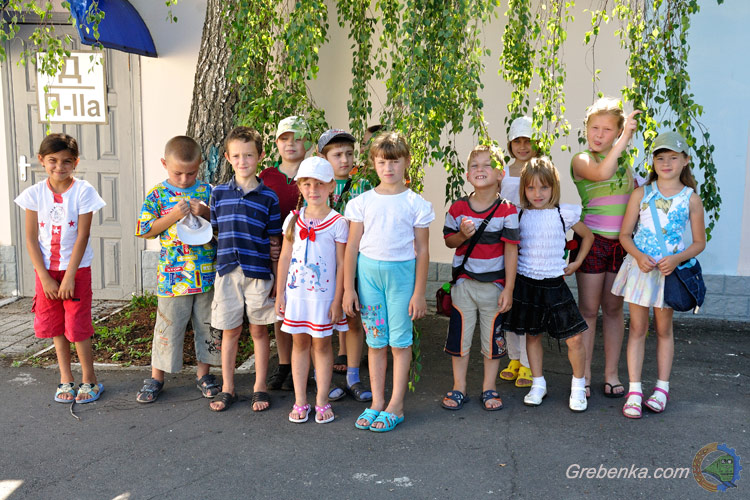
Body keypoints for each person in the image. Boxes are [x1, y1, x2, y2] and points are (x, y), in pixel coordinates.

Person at [343, 131, 434, 432]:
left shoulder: (416, 204)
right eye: (382, 162)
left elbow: (422, 250)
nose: (388, 168)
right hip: (369, 278)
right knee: (376, 340)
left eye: (394, 161)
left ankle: (396, 404)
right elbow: (352, 247)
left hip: (401, 279)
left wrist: (419, 293)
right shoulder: (362, 202)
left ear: (406, 162)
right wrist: (348, 288)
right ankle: (377, 401)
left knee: (399, 341)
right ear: (373, 163)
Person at [612, 132, 706, 418]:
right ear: (652, 162)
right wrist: (639, 256)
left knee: (664, 330)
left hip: (669, 273)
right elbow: (624, 235)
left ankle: (662, 389)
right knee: (637, 329)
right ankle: (635, 391)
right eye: (660, 158)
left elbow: (699, 243)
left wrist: (676, 259)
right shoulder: (641, 194)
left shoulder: (691, 199)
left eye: (673, 158)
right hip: (641, 271)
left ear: (685, 160)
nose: (666, 163)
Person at [14, 133, 106, 403]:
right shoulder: (34, 194)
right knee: (55, 326)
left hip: (76, 272)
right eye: (52, 160)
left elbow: (82, 235)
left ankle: (90, 379)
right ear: (42, 160)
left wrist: (69, 277)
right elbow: (31, 239)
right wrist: (44, 277)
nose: (59, 166)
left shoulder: (83, 191)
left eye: (67, 161)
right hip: (46, 273)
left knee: (77, 326)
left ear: (75, 162)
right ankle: (66, 379)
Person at [134, 136, 222, 403]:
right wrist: (172, 216)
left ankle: (204, 374)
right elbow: (145, 230)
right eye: (177, 173)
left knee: (207, 325)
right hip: (172, 278)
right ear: (164, 164)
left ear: (200, 165)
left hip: (206, 276)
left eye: (191, 173)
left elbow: (222, 224)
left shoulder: (208, 191)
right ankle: (157, 377)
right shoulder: (157, 195)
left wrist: (206, 212)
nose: (184, 179)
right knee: (168, 327)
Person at [503, 157, 594, 411]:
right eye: (531, 188)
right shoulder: (519, 214)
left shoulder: (563, 213)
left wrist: (576, 263)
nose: (538, 193)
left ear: (554, 187)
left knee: (574, 338)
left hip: (555, 285)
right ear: (523, 189)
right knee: (532, 336)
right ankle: (538, 384)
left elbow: (588, 237)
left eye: (544, 187)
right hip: (527, 284)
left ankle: (578, 386)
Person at [570, 97, 641, 398]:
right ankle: (583, 376)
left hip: (620, 245)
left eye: (607, 129)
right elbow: (601, 174)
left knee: (613, 310)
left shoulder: (625, 165)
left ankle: (611, 373)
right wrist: (624, 139)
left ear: (617, 132)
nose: (598, 135)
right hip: (593, 241)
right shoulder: (582, 159)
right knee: (588, 310)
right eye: (594, 128)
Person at [208, 126, 282, 412]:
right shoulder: (219, 194)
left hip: (259, 273)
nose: (243, 161)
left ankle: (259, 386)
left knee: (259, 331)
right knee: (230, 331)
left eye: (249, 155)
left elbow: (274, 240)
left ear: (260, 156)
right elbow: (216, 231)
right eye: (237, 156)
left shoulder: (269, 198)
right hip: (228, 272)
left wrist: (275, 278)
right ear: (228, 157)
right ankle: (228, 387)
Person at [441, 145, 519, 411]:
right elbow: (449, 241)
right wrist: (462, 235)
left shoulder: (507, 210)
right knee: (459, 338)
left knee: (492, 341)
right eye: (474, 165)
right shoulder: (458, 207)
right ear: (467, 174)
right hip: (464, 284)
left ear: (500, 174)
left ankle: (489, 387)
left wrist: (509, 288)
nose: (480, 169)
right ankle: (459, 387)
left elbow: (511, 250)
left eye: (487, 165)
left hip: (494, 287)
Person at [275, 157, 349, 423]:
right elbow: (285, 257)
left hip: (323, 298)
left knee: (322, 345)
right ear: (299, 187)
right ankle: (300, 401)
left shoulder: (338, 222)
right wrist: (280, 293)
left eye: (319, 183)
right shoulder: (293, 220)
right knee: (299, 344)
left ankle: (321, 401)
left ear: (331, 186)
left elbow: (342, 263)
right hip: (296, 297)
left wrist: (338, 300)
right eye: (306, 184)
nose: (313, 189)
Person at [317, 129, 373, 403]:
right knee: (321, 321)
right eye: (337, 155)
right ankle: (321, 377)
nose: (345, 160)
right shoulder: (315, 186)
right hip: (322, 266)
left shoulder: (363, 186)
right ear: (323, 158)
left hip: (353, 263)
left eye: (349, 154)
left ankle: (353, 376)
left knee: (352, 317)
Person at [260, 116, 312, 392]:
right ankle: (283, 364)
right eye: (284, 138)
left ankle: (305, 367)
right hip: (276, 253)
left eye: (297, 138)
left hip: (308, 253)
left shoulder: (314, 173)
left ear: (308, 143)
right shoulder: (267, 177)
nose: (290, 144)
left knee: (306, 308)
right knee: (280, 309)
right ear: (277, 143)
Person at [498, 116, 537, 389]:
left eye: (527, 141)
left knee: (527, 302)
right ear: (510, 143)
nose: (522, 146)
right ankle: (513, 357)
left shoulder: (540, 169)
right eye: (517, 141)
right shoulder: (502, 171)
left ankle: (528, 362)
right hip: (506, 242)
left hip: (532, 241)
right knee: (507, 300)